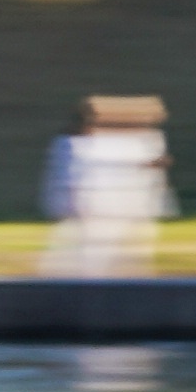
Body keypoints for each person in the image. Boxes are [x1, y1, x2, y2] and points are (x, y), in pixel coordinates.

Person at [42, 93, 170, 277]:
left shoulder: (141, 140)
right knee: (85, 261)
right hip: (97, 210)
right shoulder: (77, 143)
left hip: (117, 208)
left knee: (121, 262)